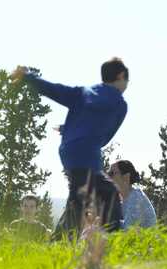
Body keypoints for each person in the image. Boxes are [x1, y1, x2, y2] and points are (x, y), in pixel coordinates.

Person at [11, 58, 129, 240]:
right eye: (126, 81)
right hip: (86, 154)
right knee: (109, 194)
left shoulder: (84, 92)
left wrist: (28, 77)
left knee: (78, 201)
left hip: (68, 151)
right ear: (121, 76)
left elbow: (55, 90)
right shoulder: (120, 104)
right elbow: (106, 137)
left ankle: (59, 242)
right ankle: (113, 241)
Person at [109, 160, 156, 229]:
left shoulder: (136, 197)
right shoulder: (120, 200)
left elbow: (129, 229)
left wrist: (108, 223)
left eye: (112, 173)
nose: (108, 177)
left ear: (126, 176)